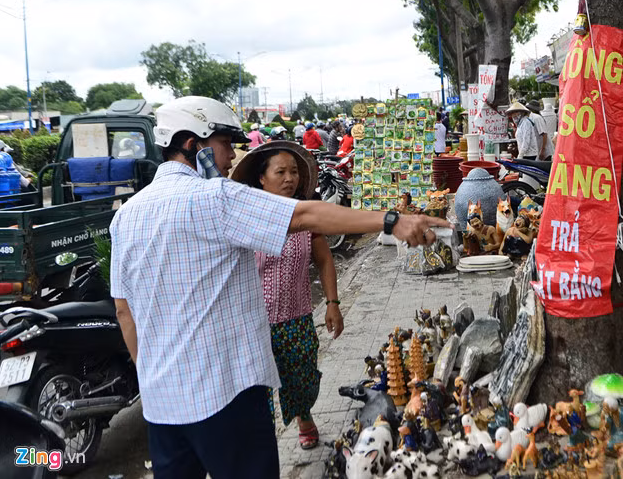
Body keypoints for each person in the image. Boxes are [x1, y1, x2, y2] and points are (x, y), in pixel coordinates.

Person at [109, 96, 448, 479]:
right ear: (194, 143)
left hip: (162, 405)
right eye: (225, 145)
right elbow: (304, 214)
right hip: (225, 396)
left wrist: (155, 376)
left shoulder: (126, 217)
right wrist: (391, 221)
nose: (230, 158)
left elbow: (125, 310)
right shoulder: (213, 198)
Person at [231, 141, 340, 450]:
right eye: (280, 172)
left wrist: (332, 303)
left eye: (293, 172)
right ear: (261, 178)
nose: (290, 178)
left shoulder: (305, 217)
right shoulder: (245, 218)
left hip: (297, 317)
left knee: (302, 380)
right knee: (258, 391)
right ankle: (262, 443)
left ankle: (303, 414)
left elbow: (324, 260)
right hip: (253, 323)